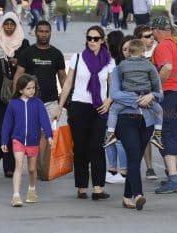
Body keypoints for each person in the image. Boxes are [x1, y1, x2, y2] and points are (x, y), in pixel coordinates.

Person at [54, 25, 114, 200]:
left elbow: (112, 85)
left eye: (96, 38)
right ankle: (81, 186)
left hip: (99, 107)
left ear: (102, 40)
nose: (92, 41)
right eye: (89, 38)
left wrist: (109, 100)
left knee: (96, 146)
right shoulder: (77, 58)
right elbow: (67, 84)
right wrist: (60, 106)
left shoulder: (109, 61)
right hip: (79, 106)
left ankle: (97, 188)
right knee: (80, 147)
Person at [110, 41, 163, 211]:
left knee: (135, 160)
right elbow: (115, 95)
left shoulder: (149, 67)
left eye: (129, 49)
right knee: (133, 157)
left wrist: (152, 96)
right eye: (124, 49)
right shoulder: (118, 69)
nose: (127, 52)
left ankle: (127, 197)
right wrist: (140, 99)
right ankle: (138, 194)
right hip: (126, 119)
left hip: (146, 121)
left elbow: (159, 94)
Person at [13, 20, 66, 180]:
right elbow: (19, 75)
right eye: (41, 31)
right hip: (31, 102)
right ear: (36, 33)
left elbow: (63, 77)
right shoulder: (27, 53)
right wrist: (16, 96)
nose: (43, 34)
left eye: (46, 31)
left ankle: (42, 167)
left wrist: (68, 96)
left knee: (46, 134)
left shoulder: (56, 54)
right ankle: (35, 165)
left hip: (51, 101)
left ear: (50, 33)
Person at [0, 12, 30, 177]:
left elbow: (28, 67)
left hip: (16, 91)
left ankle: (10, 165)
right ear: (2, 25)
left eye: (12, 24)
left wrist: (18, 61)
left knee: (13, 128)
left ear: (17, 26)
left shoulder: (24, 44)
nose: (9, 27)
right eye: (6, 24)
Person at [1, 74, 53, 207]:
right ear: (20, 90)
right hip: (17, 139)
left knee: (31, 169)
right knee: (18, 166)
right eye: (28, 88)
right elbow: (7, 123)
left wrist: (49, 135)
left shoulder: (38, 103)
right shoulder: (13, 104)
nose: (32, 91)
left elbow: (44, 120)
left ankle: (31, 189)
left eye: (33, 88)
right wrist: (3, 141)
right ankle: (16, 195)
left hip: (33, 140)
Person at [104, 39, 164, 151]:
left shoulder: (122, 65)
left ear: (129, 51)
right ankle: (157, 135)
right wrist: (148, 95)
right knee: (159, 110)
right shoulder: (149, 65)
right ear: (143, 52)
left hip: (128, 94)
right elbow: (156, 84)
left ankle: (110, 134)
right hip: (146, 95)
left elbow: (120, 81)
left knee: (113, 110)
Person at [150, 16, 177, 194]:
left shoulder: (163, 45)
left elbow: (167, 68)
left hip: (168, 94)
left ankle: (173, 178)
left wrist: (156, 89)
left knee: (166, 134)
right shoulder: (176, 43)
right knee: (174, 133)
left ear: (157, 30)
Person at [133, 24, 159, 180]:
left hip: (155, 96)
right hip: (140, 98)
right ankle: (149, 167)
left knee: (162, 133)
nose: (151, 38)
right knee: (145, 132)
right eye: (147, 36)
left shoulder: (158, 50)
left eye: (152, 35)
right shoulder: (135, 53)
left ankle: (172, 167)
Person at [104, 30, 127, 184]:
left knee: (116, 138)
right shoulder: (113, 61)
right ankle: (112, 169)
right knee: (110, 137)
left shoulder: (117, 64)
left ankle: (123, 171)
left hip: (116, 104)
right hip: (111, 104)